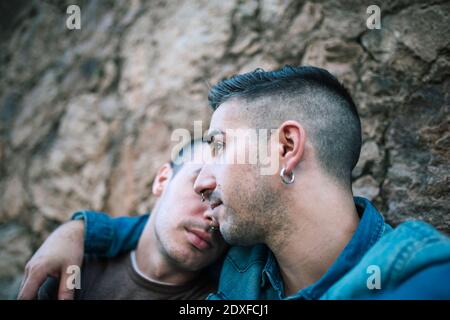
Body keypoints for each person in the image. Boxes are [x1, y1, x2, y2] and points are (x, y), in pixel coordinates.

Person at [20, 66, 450, 300]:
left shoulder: (419, 280)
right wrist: (81, 230)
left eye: (221, 147)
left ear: (284, 147)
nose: (206, 182)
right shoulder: (242, 257)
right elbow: (160, 235)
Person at [33, 139, 228, 299]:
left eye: (228, 204)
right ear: (162, 180)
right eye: (203, 190)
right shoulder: (73, 270)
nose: (213, 216)